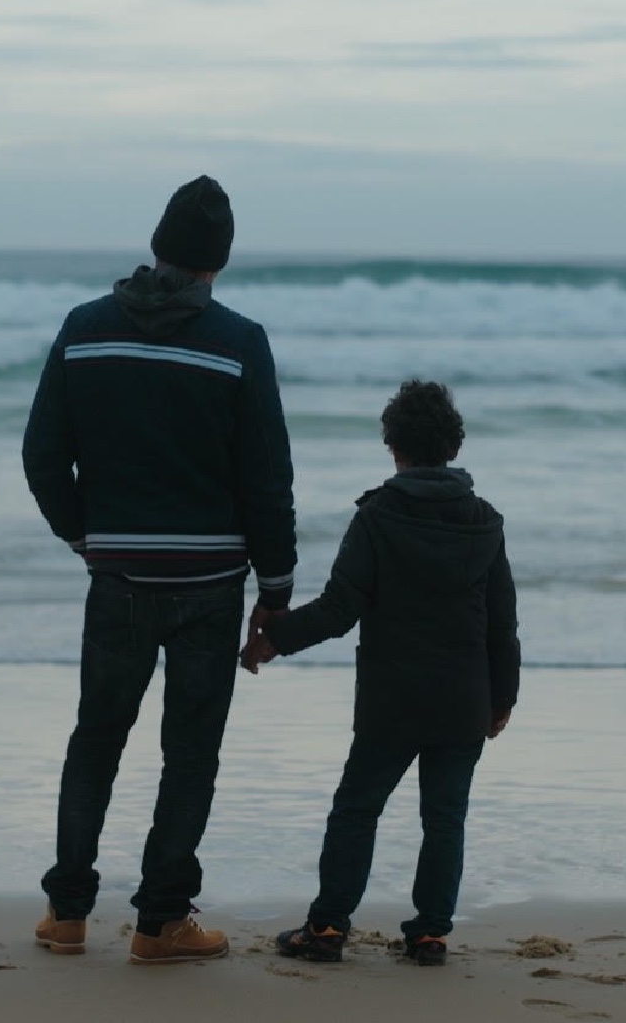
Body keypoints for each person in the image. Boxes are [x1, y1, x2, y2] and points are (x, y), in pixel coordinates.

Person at [22, 175, 297, 964]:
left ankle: (67, 912)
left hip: (118, 581)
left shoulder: (85, 327)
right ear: (220, 261)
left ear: (157, 246)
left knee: (97, 739)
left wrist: (85, 537)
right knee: (191, 754)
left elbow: (43, 454)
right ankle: (160, 922)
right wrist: (275, 589)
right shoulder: (241, 342)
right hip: (212, 587)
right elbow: (265, 476)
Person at [242, 379, 519, 967]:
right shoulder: (485, 523)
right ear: (453, 445)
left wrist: (273, 639)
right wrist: (503, 699)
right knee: (445, 818)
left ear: (394, 446)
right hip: (463, 699)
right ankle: (429, 935)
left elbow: (341, 609)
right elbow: (502, 626)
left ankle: (327, 929)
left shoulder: (379, 515)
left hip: (392, 698)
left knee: (356, 809)